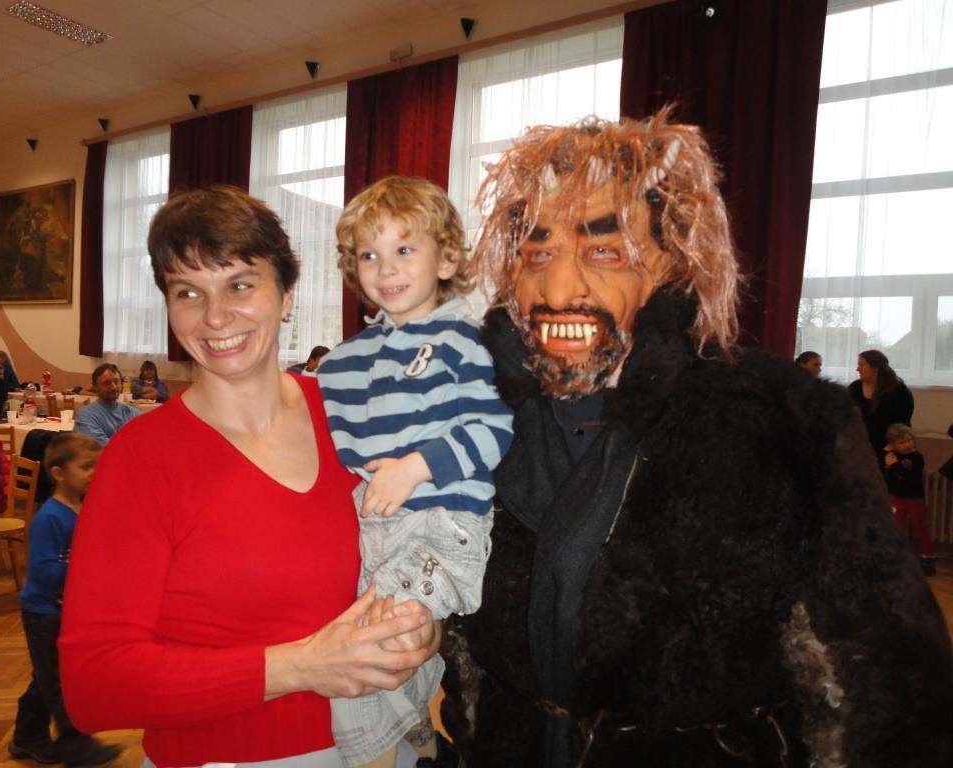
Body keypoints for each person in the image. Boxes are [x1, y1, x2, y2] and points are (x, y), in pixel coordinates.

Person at [438, 112, 953, 767]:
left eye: (604, 252)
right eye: (539, 254)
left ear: (672, 264)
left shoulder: (783, 418)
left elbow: (887, 684)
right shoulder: (472, 414)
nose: (560, 288)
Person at [59, 185, 438, 768]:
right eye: (188, 292)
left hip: (385, 746)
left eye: (239, 285)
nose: (215, 317)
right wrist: (297, 667)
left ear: (287, 295)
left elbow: (431, 551)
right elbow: (95, 685)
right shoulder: (141, 460)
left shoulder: (358, 417)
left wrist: (423, 630)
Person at [318, 176, 513, 768]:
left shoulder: (466, 338)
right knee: (391, 641)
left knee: (363, 650)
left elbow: (495, 427)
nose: (386, 269)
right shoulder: (345, 360)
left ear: (446, 258)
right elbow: (320, 436)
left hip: (442, 527)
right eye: (368, 255)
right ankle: (419, 739)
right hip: (373, 527)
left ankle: (379, 754)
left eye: (404, 249)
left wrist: (417, 467)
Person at [10, 433, 123, 767]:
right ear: (58, 473)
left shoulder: (80, 508)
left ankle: (26, 737)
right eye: (86, 467)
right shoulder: (50, 517)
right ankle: (76, 744)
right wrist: (87, 567)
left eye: (96, 466)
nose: (93, 473)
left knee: (46, 676)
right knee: (58, 681)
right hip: (43, 612)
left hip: (66, 608)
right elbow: (43, 571)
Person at [883, 423, 937, 576]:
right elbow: (888, 479)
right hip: (897, 498)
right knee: (897, 528)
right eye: (901, 442)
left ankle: (928, 558)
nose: (907, 444)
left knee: (920, 529)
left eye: (909, 440)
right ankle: (898, 558)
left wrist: (895, 465)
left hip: (915, 500)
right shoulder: (892, 457)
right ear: (893, 444)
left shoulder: (917, 457)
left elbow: (912, 478)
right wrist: (887, 460)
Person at [848, 349, 914, 464]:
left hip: (888, 449)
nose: (857, 369)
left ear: (875, 368)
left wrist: (890, 449)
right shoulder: (855, 388)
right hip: (859, 447)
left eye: (861, 365)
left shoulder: (899, 391)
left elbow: (902, 424)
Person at [72, 363, 140, 447]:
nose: (113, 387)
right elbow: (104, 449)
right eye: (107, 383)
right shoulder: (85, 416)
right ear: (95, 387)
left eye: (116, 381)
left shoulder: (133, 413)